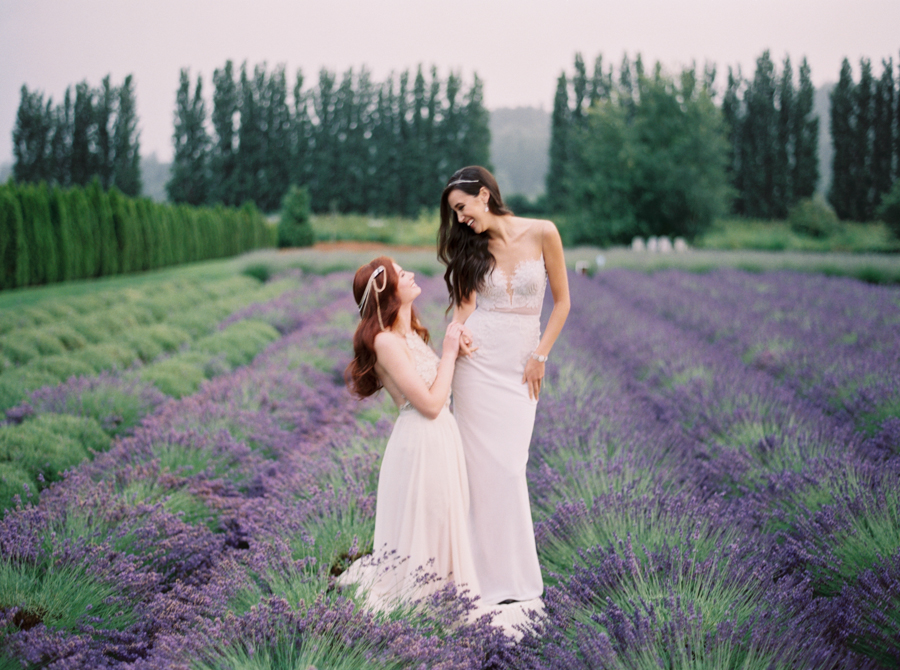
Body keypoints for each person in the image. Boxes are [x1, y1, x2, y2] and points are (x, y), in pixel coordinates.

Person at [438, 166, 571, 607]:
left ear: (483, 195)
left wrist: (540, 356)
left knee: (511, 465)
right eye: (455, 213)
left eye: (462, 208)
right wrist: (457, 337)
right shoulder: (472, 246)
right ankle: (477, 579)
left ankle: (512, 578)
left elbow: (562, 303)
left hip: (520, 367)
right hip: (476, 369)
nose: (460, 220)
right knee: (479, 473)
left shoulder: (543, 231)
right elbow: (461, 310)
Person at [340, 256, 480, 610]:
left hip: (440, 438)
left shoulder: (411, 334)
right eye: (402, 274)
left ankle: (446, 597)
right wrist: (449, 353)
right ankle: (425, 605)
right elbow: (430, 404)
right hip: (420, 441)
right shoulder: (385, 342)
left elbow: (436, 383)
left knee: (442, 522)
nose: (412, 274)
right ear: (387, 292)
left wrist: (455, 354)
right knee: (428, 524)